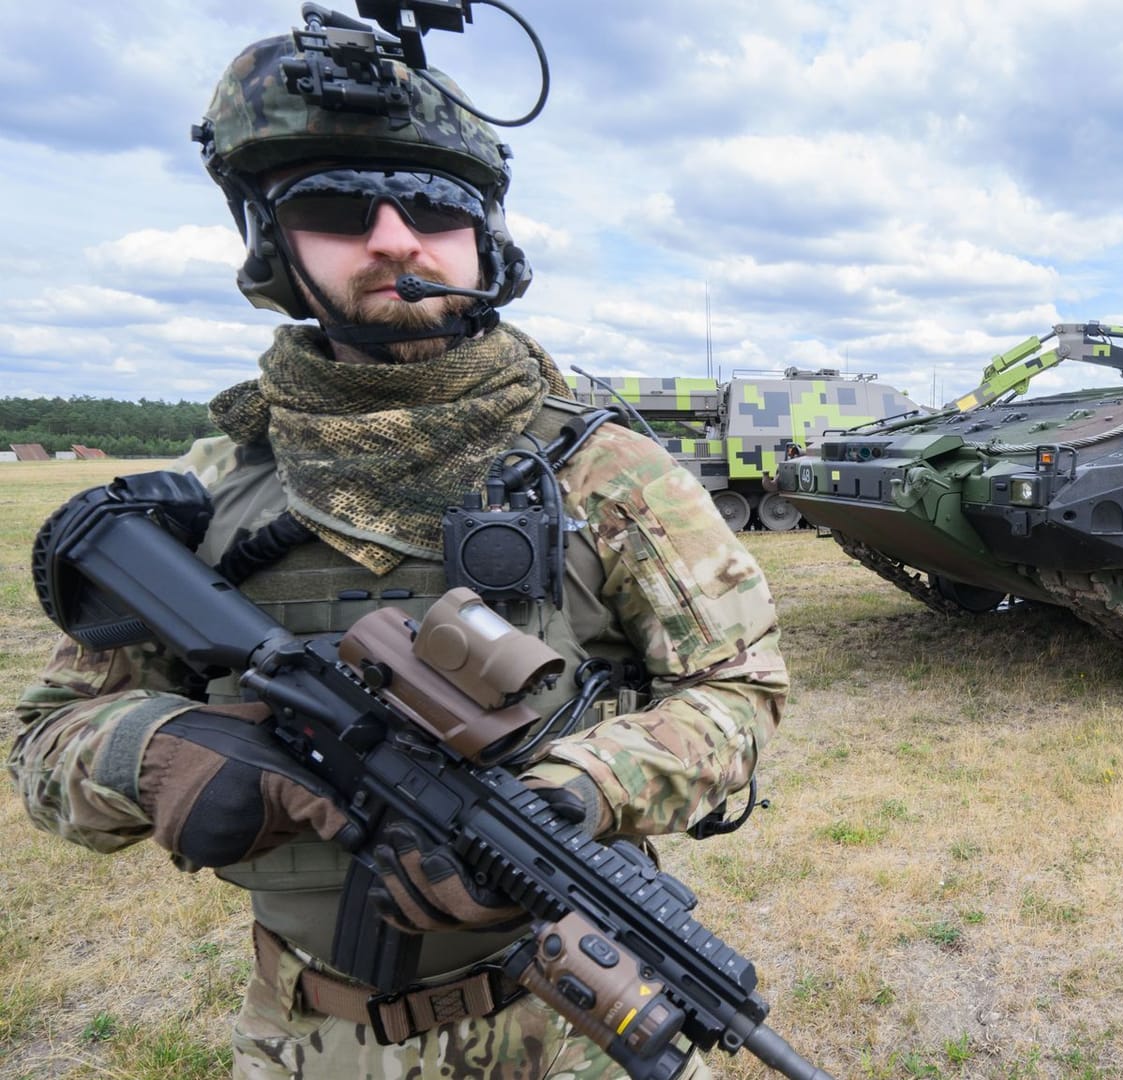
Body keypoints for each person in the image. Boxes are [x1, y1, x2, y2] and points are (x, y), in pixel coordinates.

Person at [8, 26, 786, 1080]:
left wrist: (580, 788)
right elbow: (48, 746)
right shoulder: (207, 494)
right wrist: (160, 751)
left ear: (484, 237)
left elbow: (738, 695)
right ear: (273, 244)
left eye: (434, 209)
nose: (395, 241)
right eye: (335, 210)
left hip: (572, 1018)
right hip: (311, 1035)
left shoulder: (608, 472)